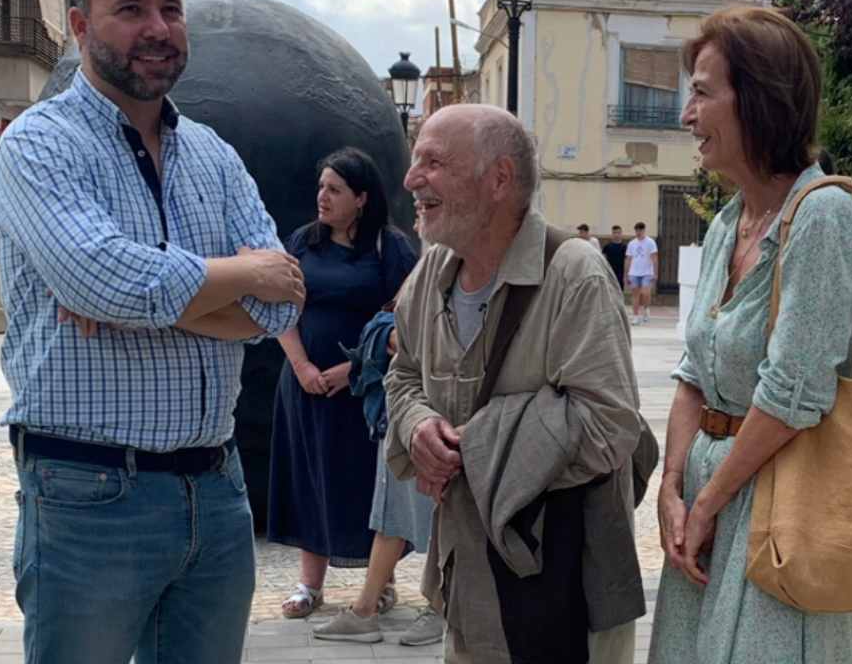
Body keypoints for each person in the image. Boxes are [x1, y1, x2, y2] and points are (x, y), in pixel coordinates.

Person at [0, 0, 303, 664]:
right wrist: (235, 276)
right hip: (88, 492)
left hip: (216, 489)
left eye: (170, 8)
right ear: (78, 25)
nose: (157, 29)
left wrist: (141, 293)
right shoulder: (38, 145)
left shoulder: (214, 154)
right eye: (129, 9)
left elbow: (282, 302)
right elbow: (105, 278)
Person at [386, 103, 649, 664]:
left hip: (565, 581)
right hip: (469, 574)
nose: (412, 180)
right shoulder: (432, 270)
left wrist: (468, 450)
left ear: (499, 178)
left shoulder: (574, 273)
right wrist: (417, 428)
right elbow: (403, 371)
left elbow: (609, 425)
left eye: (433, 163)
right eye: (415, 162)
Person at [649, 7, 852, 664]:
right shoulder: (727, 221)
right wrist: (670, 487)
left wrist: (707, 501)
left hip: (782, 505)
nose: (686, 116)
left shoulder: (823, 213)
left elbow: (793, 389)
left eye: (701, 92)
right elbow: (693, 371)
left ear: (758, 99)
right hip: (706, 504)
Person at [266, 147, 417, 620]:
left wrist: (352, 369)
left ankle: (382, 580)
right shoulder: (303, 243)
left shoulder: (390, 248)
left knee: (369, 481)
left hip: (365, 390)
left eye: (334, 189)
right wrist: (302, 366)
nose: (322, 197)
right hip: (304, 385)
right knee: (309, 475)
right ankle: (309, 586)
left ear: (362, 197)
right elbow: (281, 309)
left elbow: (404, 314)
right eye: (321, 187)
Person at [308, 306, 443, 647]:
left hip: (435, 408)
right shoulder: (433, 270)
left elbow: (418, 340)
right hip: (406, 411)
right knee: (392, 515)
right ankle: (366, 610)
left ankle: (440, 606)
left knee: (443, 511)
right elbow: (405, 336)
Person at [626, 221, 658, 324]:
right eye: (637, 230)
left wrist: (655, 273)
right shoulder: (631, 243)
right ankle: (635, 317)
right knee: (635, 295)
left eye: (640, 230)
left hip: (647, 272)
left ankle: (646, 309)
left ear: (644, 230)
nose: (638, 232)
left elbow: (654, 258)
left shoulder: (650, 242)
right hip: (634, 272)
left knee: (645, 293)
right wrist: (626, 274)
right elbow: (628, 259)